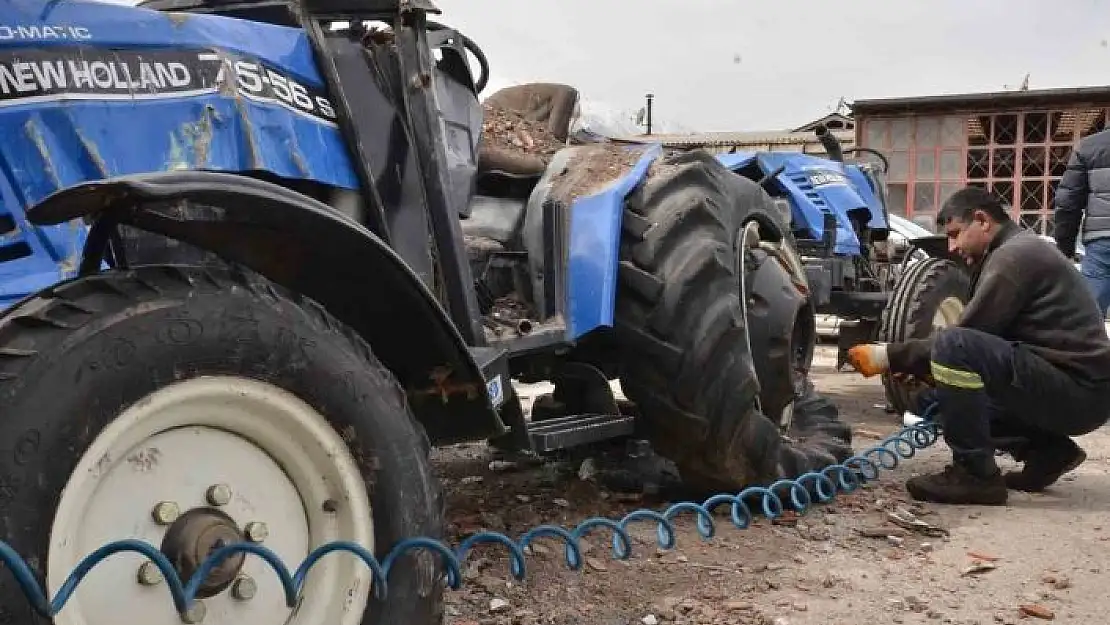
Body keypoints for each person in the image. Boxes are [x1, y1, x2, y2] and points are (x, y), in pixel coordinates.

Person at [847, 186, 1110, 506]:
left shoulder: (1015, 256)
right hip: (1067, 389)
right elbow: (990, 346)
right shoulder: (1012, 252)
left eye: (956, 234)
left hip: (1080, 391)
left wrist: (887, 355)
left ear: (982, 221)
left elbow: (966, 338)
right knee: (932, 399)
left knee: (954, 344)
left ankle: (975, 475)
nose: (952, 246)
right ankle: (1048, 452)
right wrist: (926, 371)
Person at [1053, 127, 1110, 315]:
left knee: (1089, 315)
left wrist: (1065, 247)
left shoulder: (1089, 147)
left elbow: (1068, 204)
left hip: (1102, 242)